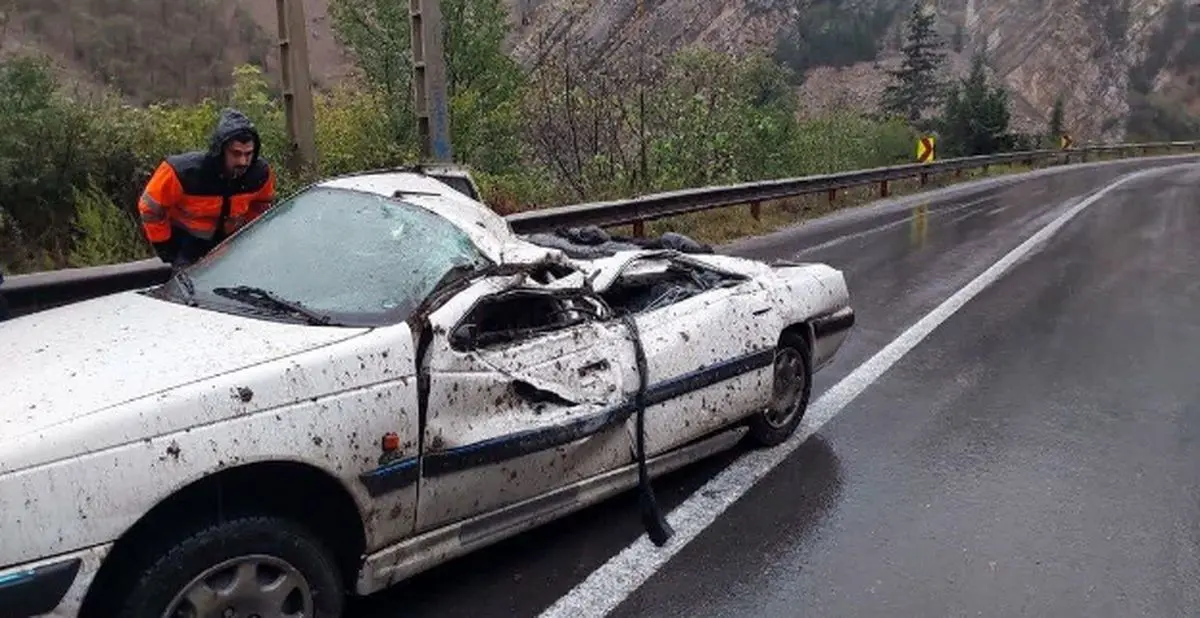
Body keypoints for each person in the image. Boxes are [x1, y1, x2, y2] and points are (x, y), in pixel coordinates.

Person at [137, 108, 276, 268]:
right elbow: (150, 209)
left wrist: (248, 238)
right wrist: (167, 249)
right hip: (187, 249)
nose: (243, 161)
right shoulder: (182, 172)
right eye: (236, 154)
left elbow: (261, 207)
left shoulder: (260, 174)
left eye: (248, 154)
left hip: (233, 249)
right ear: (220, 151)